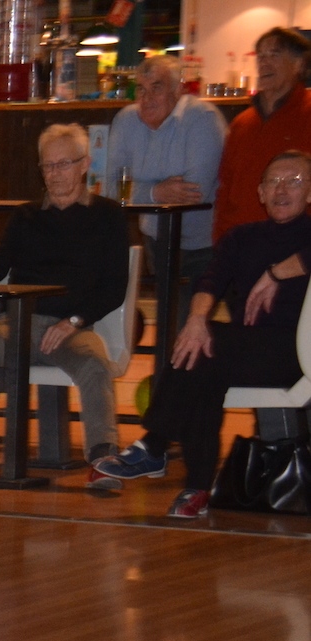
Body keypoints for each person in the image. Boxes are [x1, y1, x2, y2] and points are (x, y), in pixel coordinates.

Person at [93, 151, 311, 518]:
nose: (282, 189)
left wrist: (276, 274)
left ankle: (155, 445)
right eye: (273, 181)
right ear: (260, 192)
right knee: (202, 353)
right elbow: (210, 279)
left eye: (294, 181)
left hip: (297, 351)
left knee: (210, 347)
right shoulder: (241, 237)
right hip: (245, 349)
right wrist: (195, 320)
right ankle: (195, 487)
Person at [0, 124, 130, 483]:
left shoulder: (108, 216)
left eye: (63, 164)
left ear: (84, 165)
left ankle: (102, 456)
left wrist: (74, 321)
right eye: (47, 166)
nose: (54, 174)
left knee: (95, 365)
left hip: (73, 324)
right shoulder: (26, 215)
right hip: (18, 319)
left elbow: (114, 287)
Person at [106, 55, 225, 324]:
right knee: (168, 320)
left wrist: (138, 188)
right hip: (157, 239)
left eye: (157, 88)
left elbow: (195, 193)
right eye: (142, 90)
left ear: (178, 89)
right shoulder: (126, 121)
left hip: (203, 244)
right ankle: (167, 367)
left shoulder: (202, 119)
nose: (147, 98)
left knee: (188, 321)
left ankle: (179, 366)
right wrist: (155, 192)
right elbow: (110, 187)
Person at [212, 28, 311, 243]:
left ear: (299, 64)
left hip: (295, 248)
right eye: (261, 56)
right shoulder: (242, 123)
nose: (264, 63)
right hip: (239, 246)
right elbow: (226, 190)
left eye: (274, 55)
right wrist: (221, 241)